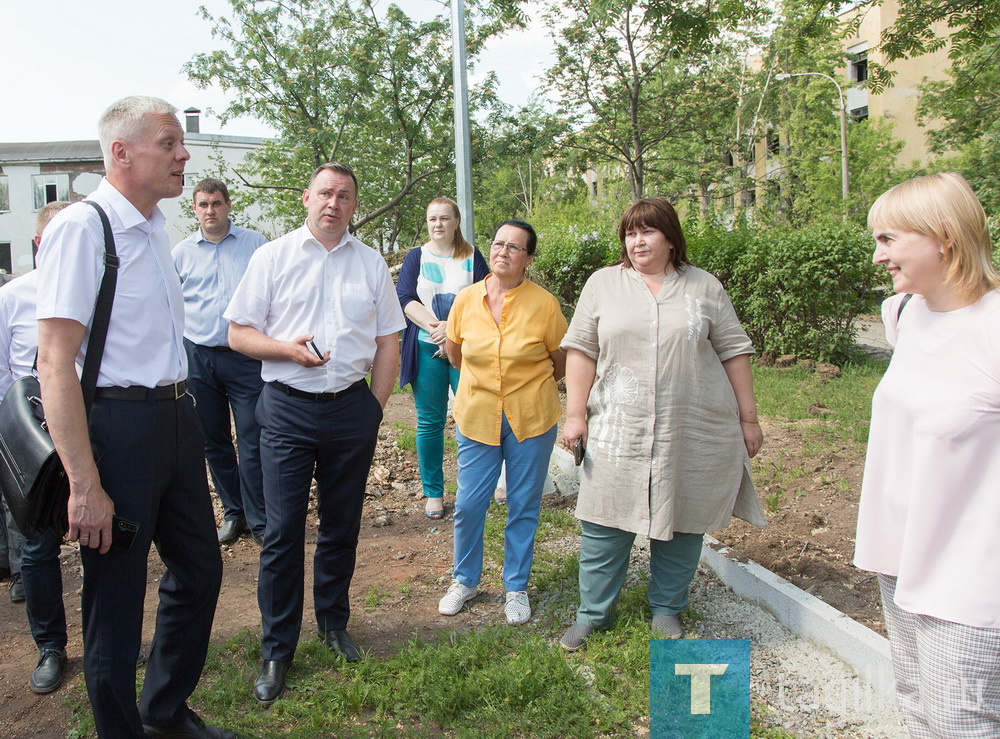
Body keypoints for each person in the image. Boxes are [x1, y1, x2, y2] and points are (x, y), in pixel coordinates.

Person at [36, 97, 231, 738]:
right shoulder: (84, 228)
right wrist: (84, 483)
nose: (184, 156)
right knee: (115, 601)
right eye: (169, 144)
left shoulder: (152, 228)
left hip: (176, 421)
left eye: (182, 143)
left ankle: (164, 713)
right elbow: (55, 361)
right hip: (116, 432)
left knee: (200, 569)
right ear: (121, 152)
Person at [225, 162, 404, 705]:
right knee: (280, 534)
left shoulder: (371, 263)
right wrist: (286, 350)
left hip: (350, 410)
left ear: (354, 204)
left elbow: (389, 339)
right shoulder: (271, 257)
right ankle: (278, 648)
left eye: (344, 196)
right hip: (285, 410)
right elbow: (237, 334)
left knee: (341, 525)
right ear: (307, 197)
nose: (334, 203)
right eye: (325, 193)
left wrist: (372, 409)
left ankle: (333, 624)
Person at [558, 197, 766, 651]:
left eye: (647, 232)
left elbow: (734, 351)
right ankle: (592, 614)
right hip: (619, 425)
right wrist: (575, 415)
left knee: (683, 516)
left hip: (691, 425)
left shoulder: (704, 287)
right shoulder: (603, 285)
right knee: (604, 519)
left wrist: (749, 419)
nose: (637, 241)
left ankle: (667, 608)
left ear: (670, 239)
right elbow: (581, 350)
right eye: (630, 234)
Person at [854, 173, 1000, 738]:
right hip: (901, 554)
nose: (877, 256)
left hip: (968, 572)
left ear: (943, 235)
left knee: (962, 723)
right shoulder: (906, 315)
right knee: (917, 705)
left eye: (888, 239)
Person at [438, 219, 567, 625]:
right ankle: (465, 580)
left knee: (523, 505)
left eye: (514, 247)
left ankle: (516, 588)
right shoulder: (466, 299)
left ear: (528, 258)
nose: (503, 252)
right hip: (477, 414)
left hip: (531, 416)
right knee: (471, 503)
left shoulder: (544, 304)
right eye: (498, 244)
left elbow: (560, 361)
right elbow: (456, 355)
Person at [0, 201, 71, 693]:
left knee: (102, 540)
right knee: (37, 546)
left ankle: (111, 638)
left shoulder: (95, 293)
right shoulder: (12, 297)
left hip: (93, 432)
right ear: (39, 245)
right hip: (35, 442)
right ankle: (51, 647)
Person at [173, 178, 268, 545]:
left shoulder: (255, 245)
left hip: (245, 357)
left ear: (228, 205)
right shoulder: (180, 253)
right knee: (213, 440)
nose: (210, 210)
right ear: (195, 209)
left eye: (216, 203)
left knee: (252, 437)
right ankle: (234, 512)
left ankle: (260, 518)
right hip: (198, 357)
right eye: (202, 204)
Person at [396, 197, 488, 519]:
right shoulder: (416, 257)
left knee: (471, 419)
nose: (438, 224)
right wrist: (436, 327)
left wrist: (453, 327)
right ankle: (433, 492)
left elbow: (487, 299)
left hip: (466, 350)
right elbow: (405, 297)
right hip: (426, 347)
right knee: (430, 422)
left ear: (456, 221)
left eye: (444, 218)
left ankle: (471, 488)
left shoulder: (473, 257)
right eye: (432, 218)